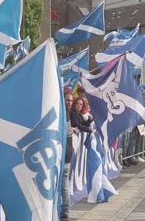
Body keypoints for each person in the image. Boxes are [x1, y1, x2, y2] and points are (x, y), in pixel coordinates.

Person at [61, 92, 78, 221]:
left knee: (64, 184)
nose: (69, 102)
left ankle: (65, 210)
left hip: (65, 155)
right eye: (67, 100)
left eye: (71, 101)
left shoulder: (65, 115)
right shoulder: (64, 113)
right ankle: (63, 209)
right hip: (63, 154)